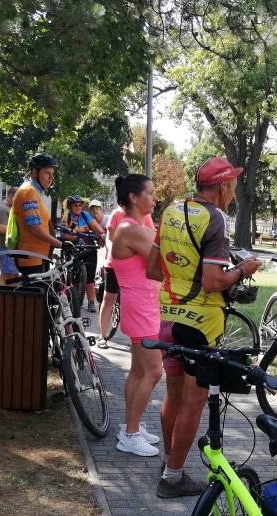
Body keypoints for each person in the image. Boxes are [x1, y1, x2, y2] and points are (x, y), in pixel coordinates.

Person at [150, 156, 262, 498]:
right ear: (224, 186)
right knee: (194, 401)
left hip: (168, 315)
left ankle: (171, 461)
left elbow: (153, 269)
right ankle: (173, 477)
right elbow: (215, 281)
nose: (233, 193)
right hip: (200, 323)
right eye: (233, 186)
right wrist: (245, 269)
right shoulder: (216, 219)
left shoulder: (170, 211)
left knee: (173, 393)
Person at [108, 174, 163, 456]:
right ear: (133, 197)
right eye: (150, 194)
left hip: (142, 305)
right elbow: (168, 255)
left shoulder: (135, 226)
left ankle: (131, 426)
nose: (155, 199)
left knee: (138, 371)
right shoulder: (131, 229)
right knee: (153, 372)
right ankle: (130, 435)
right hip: (141, 308)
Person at [98, 201, 154, 349]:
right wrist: (114, 252)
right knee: (109, 298)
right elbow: (109, 239)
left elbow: (151, 239)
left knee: (133, 302)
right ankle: (102, 336)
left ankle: (135, 339)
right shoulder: (117, 213)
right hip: (114, 264)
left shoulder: (145, 215)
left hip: (135, 267)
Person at [13, 153, 64, 276]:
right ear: (35, 172)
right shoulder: (29, 191)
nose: (51, 177)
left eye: (52, 174)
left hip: (39, 257)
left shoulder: (35, 192)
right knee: (34, 295)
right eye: (47, 172)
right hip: (32, 259)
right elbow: (35, 229)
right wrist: (60, 244)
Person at [61, 195, 105, 311]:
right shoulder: (66, 216)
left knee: (90, 277)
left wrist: (102, 235)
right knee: (72, 277)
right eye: (75, 205)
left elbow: (95, 226)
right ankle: (72, 299)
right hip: (73, 245)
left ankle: (91, 303)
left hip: (88, 244)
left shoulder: (86, 215)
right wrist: (74, 238)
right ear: (70, 206)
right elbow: (63, 235)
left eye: (80, 205)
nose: (78, 207)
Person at [0, 186, 19, 286]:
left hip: (11, 248)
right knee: (7, 275)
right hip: (5, 248)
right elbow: (1, 228)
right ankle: (0, 298)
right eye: (18, 198)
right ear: (11, 196)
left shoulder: (11, 208)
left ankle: (6, 298)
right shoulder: (2, 209)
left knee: (13, 275)